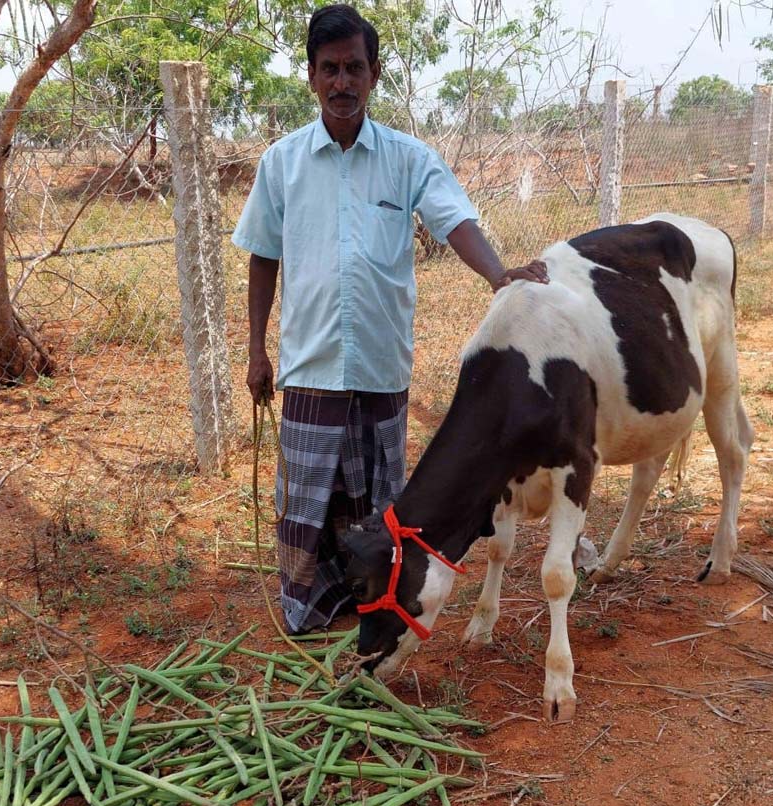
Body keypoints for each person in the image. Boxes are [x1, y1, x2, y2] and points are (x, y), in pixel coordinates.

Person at [231, 3, 549, 634]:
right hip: (311, 361)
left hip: (379, 360)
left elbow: (453, 219)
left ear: (374, 73)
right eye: (329, 69)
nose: (342, 82)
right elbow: (263, 256)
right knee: (307, 500)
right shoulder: (282, 164)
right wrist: (257, 352)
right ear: (311, 76)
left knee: (376, 496)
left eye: (354, 67)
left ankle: (370, 604)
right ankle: (308, 607)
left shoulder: (408, 159)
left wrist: (497, 274)